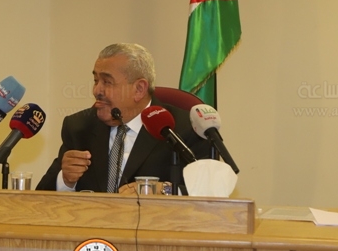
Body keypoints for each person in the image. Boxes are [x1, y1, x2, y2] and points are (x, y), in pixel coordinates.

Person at [36, 43, 212, 193]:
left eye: (107, 82)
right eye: (96, 80)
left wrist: (165, 191)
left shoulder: (185, 129)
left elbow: (210, 191)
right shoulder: (79, 127)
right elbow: (40, 198)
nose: (96, 91)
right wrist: (65, 180)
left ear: (139, 89)